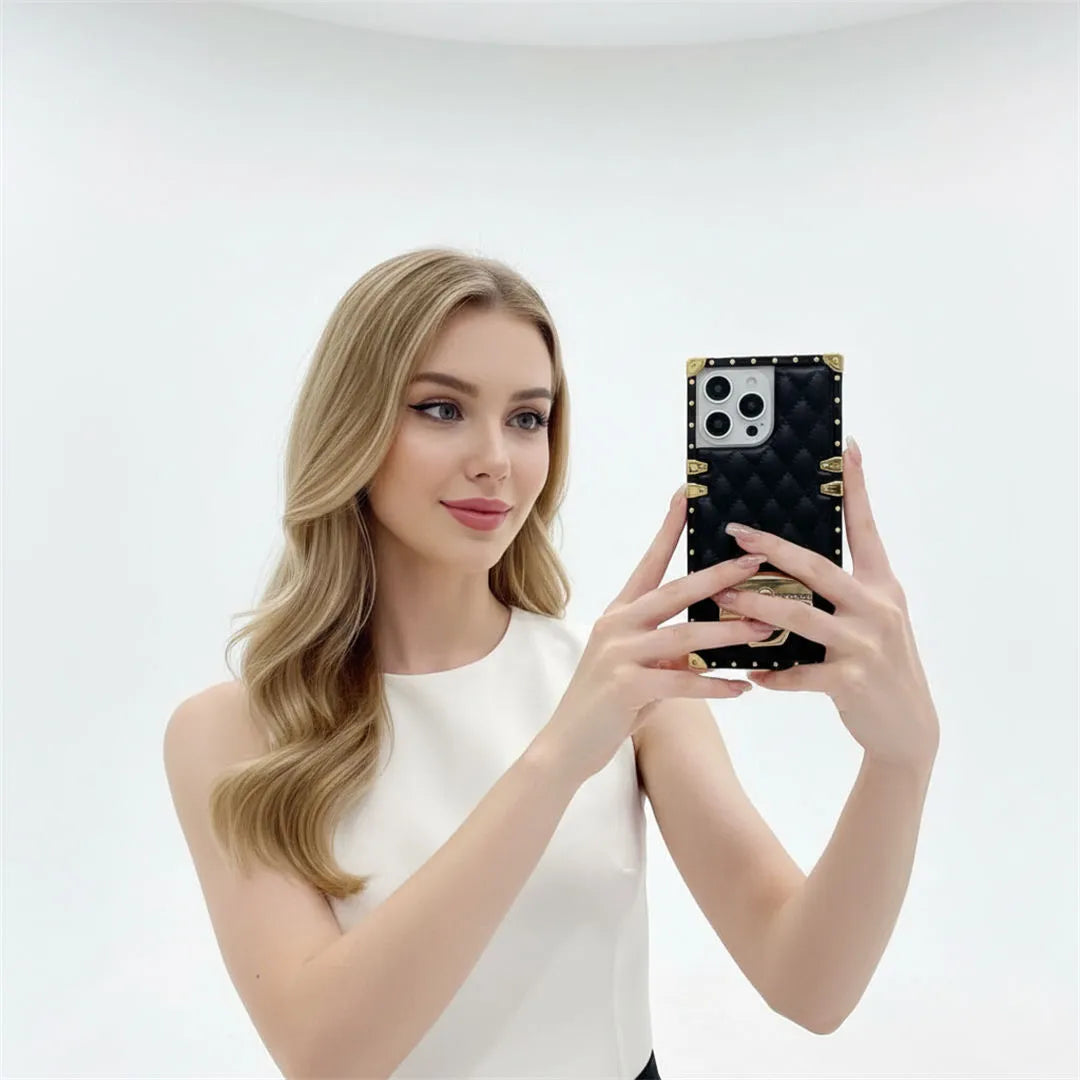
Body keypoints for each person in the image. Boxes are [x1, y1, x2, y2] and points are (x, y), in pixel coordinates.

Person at [162, 247, 794, 1079]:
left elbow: (807, 982)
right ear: (351, 425)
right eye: (440, 409)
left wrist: (901, 756)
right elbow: (323, 1055)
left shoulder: (631, 689)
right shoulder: (230, 731)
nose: (496, 458)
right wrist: (560, 754)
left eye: (528, 418)